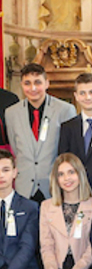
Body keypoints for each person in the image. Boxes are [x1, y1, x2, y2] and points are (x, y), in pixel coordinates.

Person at [5, 63, 77, 202]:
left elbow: (70, 151)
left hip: (55, 186)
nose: (33, 88)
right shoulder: (11, 113)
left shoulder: (65, 110)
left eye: (38, 82)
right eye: (27, 83)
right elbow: (15, 148)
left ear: (46, 83)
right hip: (24, 187)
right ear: (21, 85)